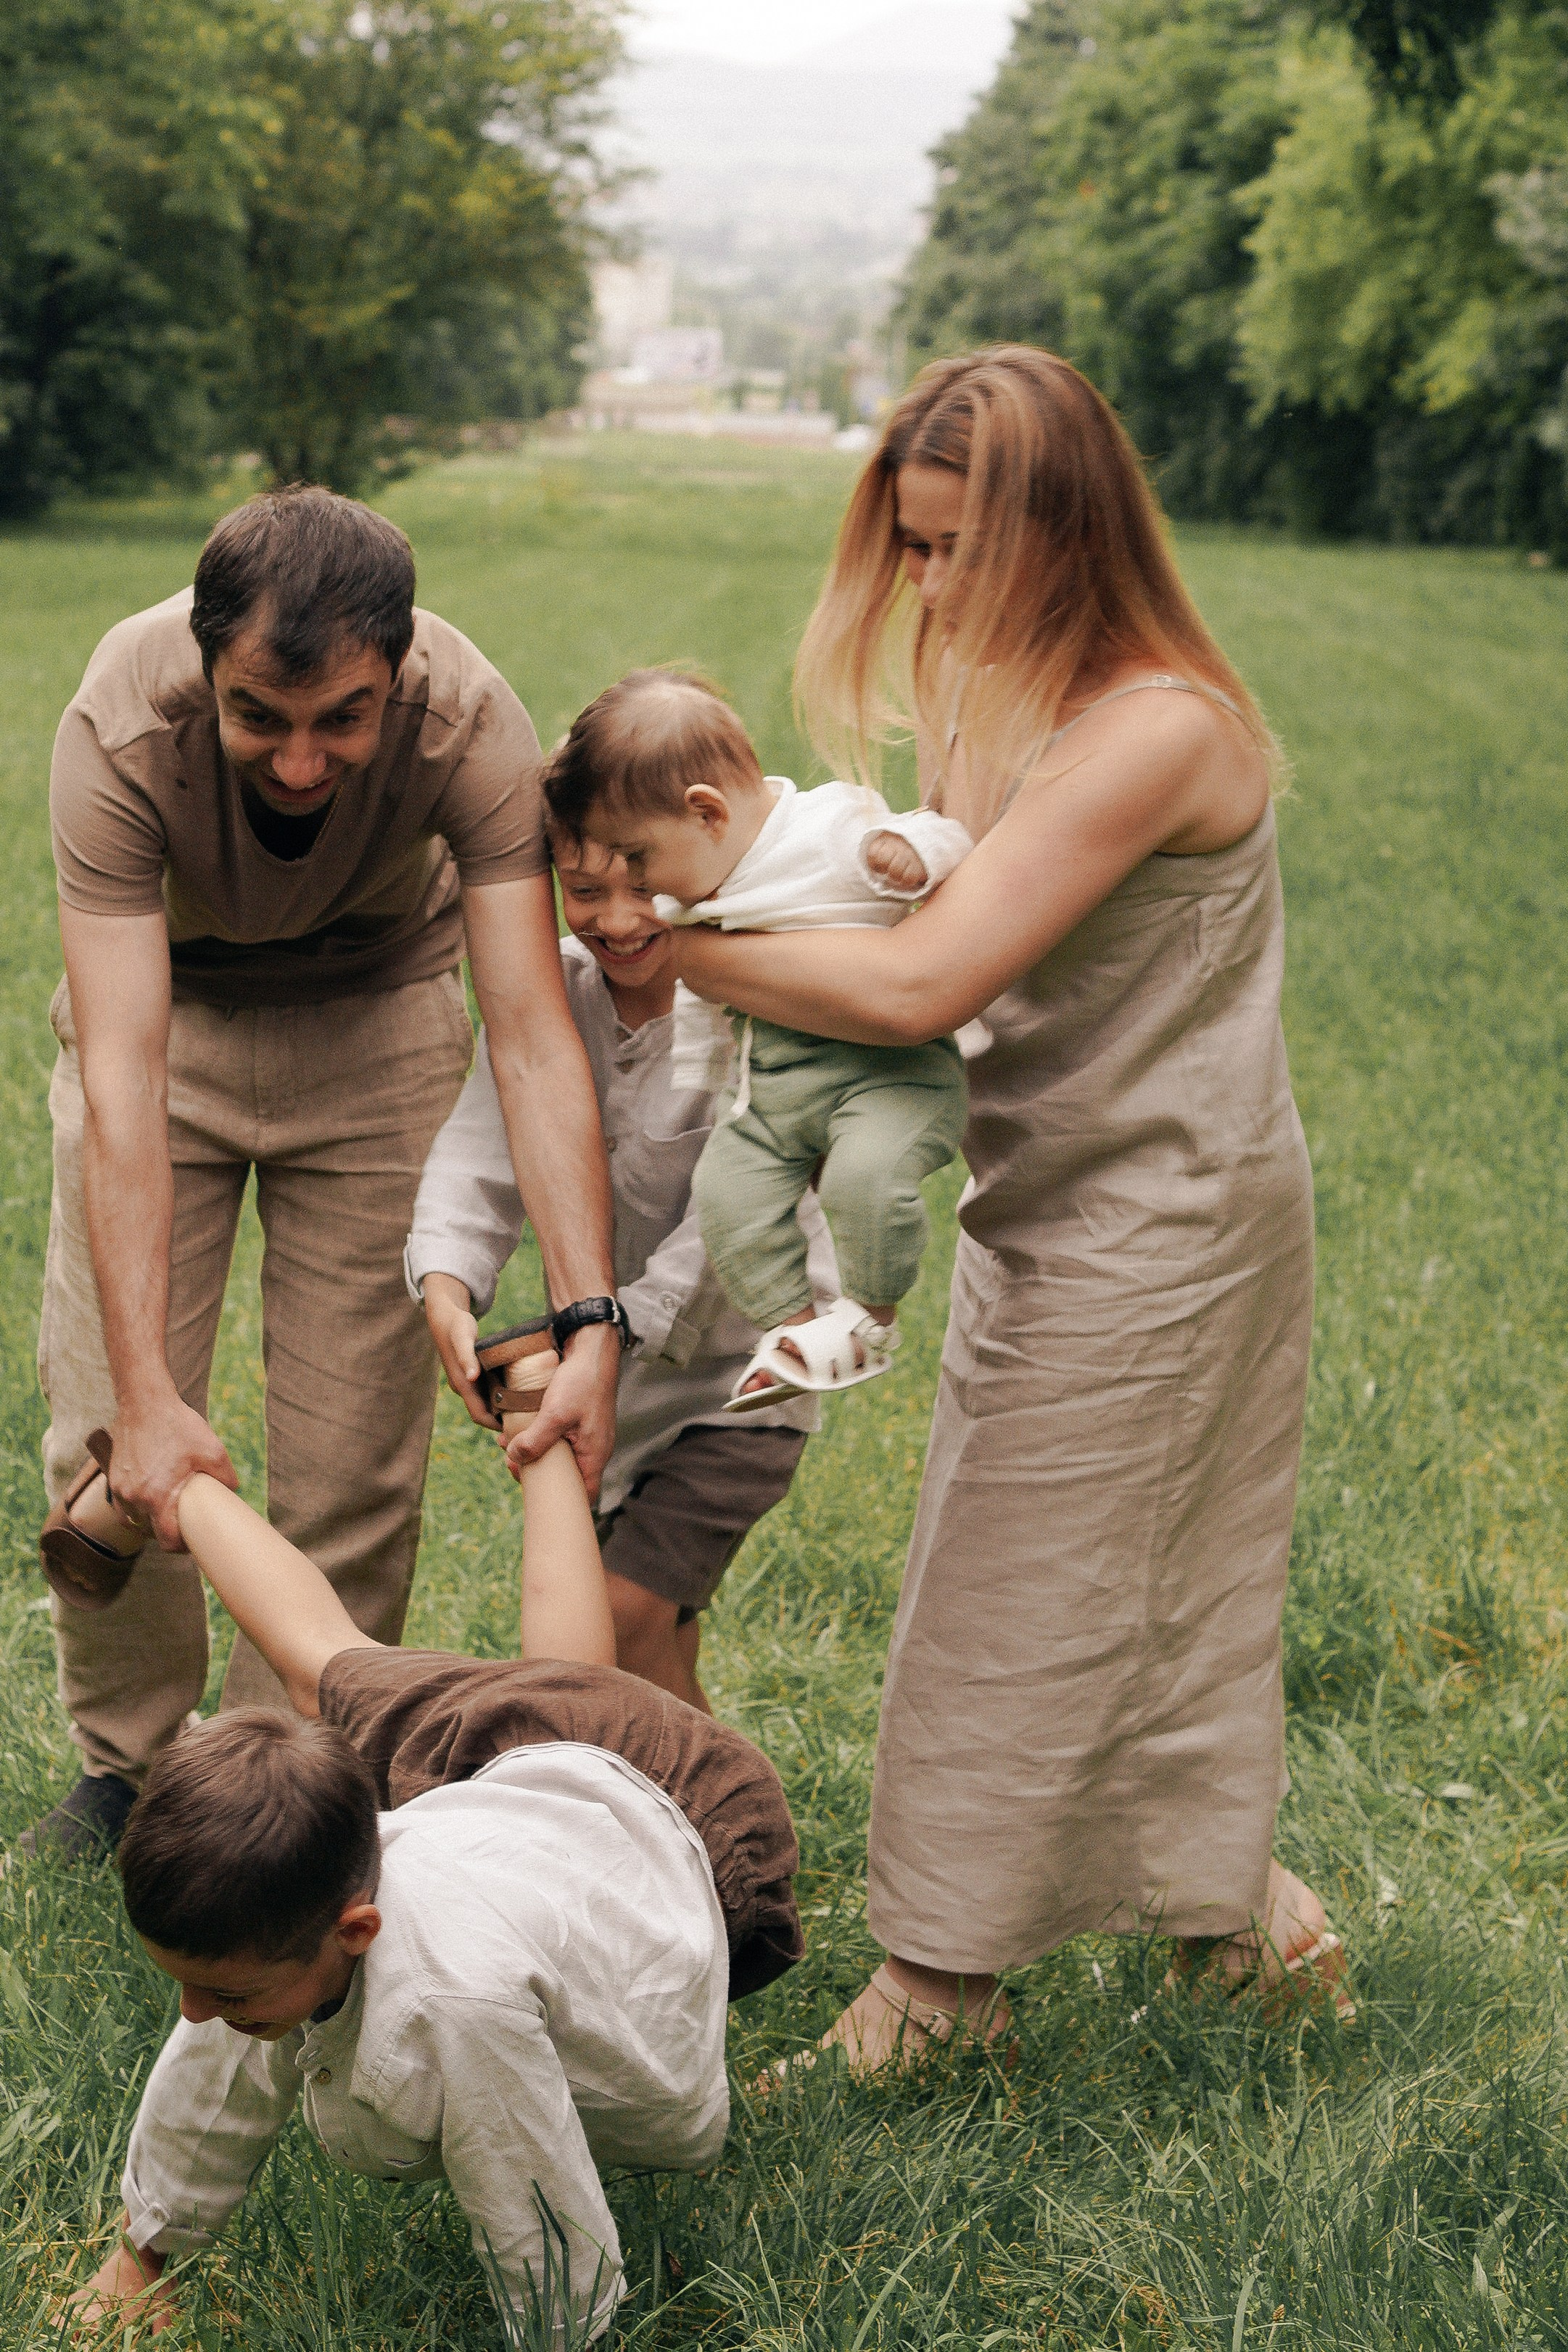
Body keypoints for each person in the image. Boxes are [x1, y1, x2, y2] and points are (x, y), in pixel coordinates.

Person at [672, 347, 1350, 2072]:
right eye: (906, 543)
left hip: (1174, 1218)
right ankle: (1244, 1919)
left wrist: (665, 946)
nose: (920, 583)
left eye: (952, 544)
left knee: (1026, 1585)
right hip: (1046, 1194)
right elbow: (896, 903)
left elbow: (920, 985)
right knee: (1124, 1574)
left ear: (1061, 531)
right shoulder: (995, 692)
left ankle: (940, 1985)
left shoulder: (1157, 733)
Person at [30, 484, 622, 1861]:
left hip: (375, 1022)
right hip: (167, 1037)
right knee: (106, 1440)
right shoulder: (121, 721)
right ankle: (128, 1766)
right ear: (205, 659)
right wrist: (149, 1395)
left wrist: (589, 1314)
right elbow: (120, 1067)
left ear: (400, 672)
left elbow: (533, 1038)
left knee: (352, 1457)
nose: (301, 762)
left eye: (341, 719)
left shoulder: (471, 720)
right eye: (261, 717)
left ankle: (282, 1766)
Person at [61, 1340, 801, 2342]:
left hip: (699, 1824)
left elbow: (533, 2197)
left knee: (360, 1668)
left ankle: (175, 1477)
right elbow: (210, 2076)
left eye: (223, 1993)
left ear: (358, 1922)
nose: (195, 2011)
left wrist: (562, 2327)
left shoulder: (463, 2002)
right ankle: (177, 1475)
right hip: (525, 1787)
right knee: (421, 1673)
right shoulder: (275, 1916)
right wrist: (139, 2254)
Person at [407, 821, 839, 1712]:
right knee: (656, 1638)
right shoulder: (551, 993)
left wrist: (603, 1326)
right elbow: (482, 1149)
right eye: (585, 891)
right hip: (615, 1391)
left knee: (620, 1615)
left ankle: (696, 1818)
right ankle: (714, 1824)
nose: (617, 919)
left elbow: (733, 1220)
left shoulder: (753, 1006)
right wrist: (447, 1280)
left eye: (644, 888)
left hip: (744, 1384)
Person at [542, 669, 973, 1407]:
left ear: (706, 812)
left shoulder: (830, 831)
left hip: (888, 1080)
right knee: (725, 1191)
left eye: (638, 861)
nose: (642, 888)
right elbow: (712, 1007)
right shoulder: (704, 883)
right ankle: (793, 1327)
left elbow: (946, 836)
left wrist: (914, 850)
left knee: (863, 1176)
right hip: (775, 1093)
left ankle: (869, 1319)